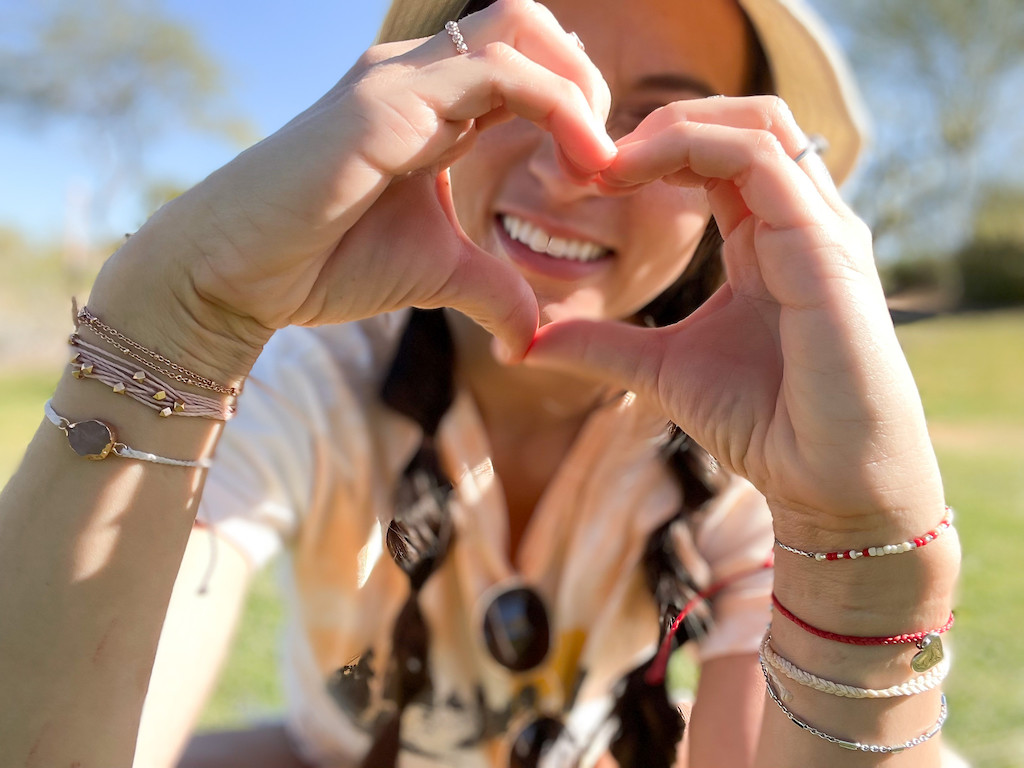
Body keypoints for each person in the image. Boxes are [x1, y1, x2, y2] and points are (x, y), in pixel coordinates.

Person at [0, 0, 965, 765]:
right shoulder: (315, 376)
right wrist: (179, 320)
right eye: (531, 89)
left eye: (664, 121)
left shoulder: (754, 433)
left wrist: (861, 563)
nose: (579, 163)